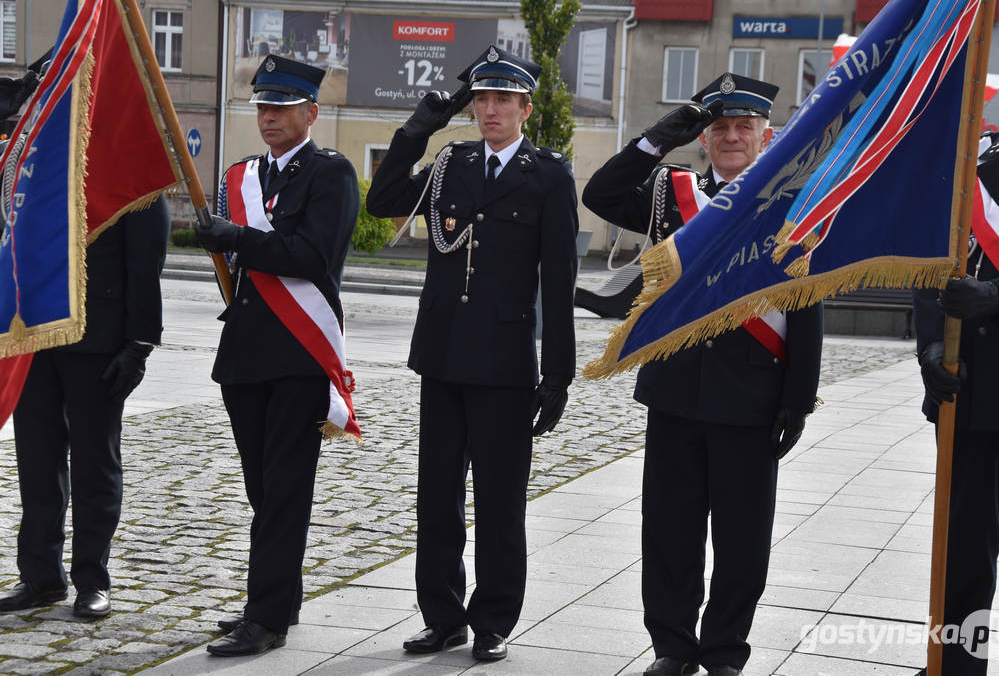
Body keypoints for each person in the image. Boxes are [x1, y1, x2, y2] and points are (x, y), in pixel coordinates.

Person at [582, 73, 824, 676]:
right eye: (720, 128)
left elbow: (807, 302)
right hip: (675, 390)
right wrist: (656, 140)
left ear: (766, 137)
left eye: (745, 127)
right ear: (705, 138)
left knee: (742, 539)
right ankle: (671, 645)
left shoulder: (791, 200)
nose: (732, 137)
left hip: (752, 390)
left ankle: (723, 651)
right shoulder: (673, 192)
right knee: (668, 530)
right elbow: (602, 196)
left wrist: (797, 398)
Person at [365, 45, 579, 662]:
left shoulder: (549, 175)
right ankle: (442, 615)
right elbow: (382, 202)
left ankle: (491, 620)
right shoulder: (451, 162)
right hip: (443, 355)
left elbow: (558, 283)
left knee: (500, 498)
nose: (491, 110)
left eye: (503, 100)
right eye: (482, 99)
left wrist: (557, 373)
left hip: (507, 364)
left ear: (525, 108)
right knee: (436, 494)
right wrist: (417, 129)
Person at [196, 54, 359, 657]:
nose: (268, 117)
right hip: (245, 354)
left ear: (310, 113)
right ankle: (276, 598)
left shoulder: (331, 174)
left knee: (286, 488)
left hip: (297, 354)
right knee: (261, 490)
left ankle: (265, 618)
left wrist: (239, 239)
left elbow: (313, 258)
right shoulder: (242, 175)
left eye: (282, 108)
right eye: (262, 106)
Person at [912, 25, 999, 675]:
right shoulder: (970, 163)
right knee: (960, 565)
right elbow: (931, 263)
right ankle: (958, 669)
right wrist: (930, 344)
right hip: (969, 393)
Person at [0, 195, 169, 619]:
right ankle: (40, 576)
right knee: (37, 461)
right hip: (34, 332)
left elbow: (145, 264)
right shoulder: (40, 157)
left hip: (100, 340)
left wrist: (140, 343)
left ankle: (92, 579)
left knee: (96, 464)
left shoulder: (127, 163)